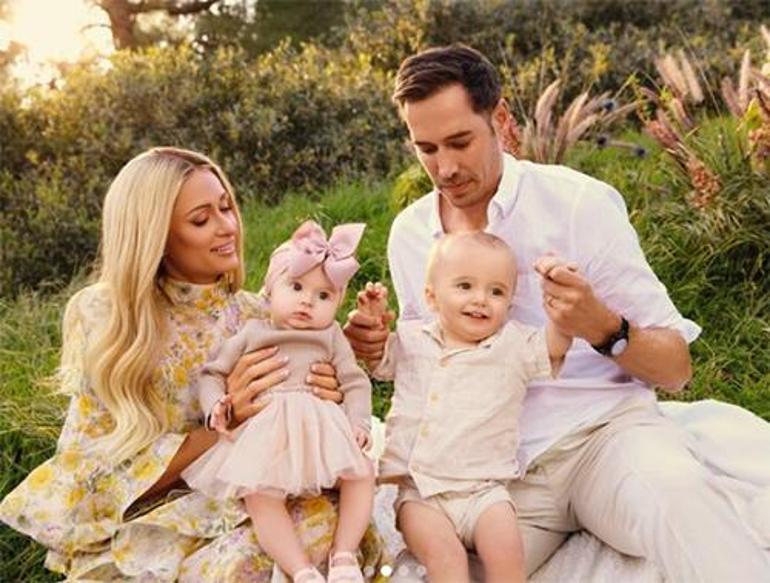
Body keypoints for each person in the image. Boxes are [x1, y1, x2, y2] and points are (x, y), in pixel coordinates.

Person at [344, 45, 770, 581]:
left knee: (681, 500)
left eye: (460, 142)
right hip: (491, 477)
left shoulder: (578, 205)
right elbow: (425, 363)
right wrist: (372, 348)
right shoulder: (411, 235)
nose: (444, 168)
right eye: (425, 149)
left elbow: (676, 368)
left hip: (604, 438)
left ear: (500, 118)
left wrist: (603, 327)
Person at [0, 147, 387, 581]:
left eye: (226, 207)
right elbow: (89, 475)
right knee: (250, 563)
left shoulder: (258, 315)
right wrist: (227, 421)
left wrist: (336, 381)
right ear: (156, 236)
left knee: (322, 529)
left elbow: (312, 410)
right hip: (150, 517)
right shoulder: (109, 319)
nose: (227, 226)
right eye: (201, 219)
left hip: (246, 499)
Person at [360, 232, 572, 583]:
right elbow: (377, 358)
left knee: (508, 553)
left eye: (496, 292)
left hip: (485, 491)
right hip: (420, 493)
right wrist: (373, 319)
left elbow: (555, 347)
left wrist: (561, 310)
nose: (481, 300)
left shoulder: (513, 344)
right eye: (464, 286)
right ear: (431, 296)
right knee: (447, 559)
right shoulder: (412, 340)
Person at [182, 219, 375, 583]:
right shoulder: (252, 332)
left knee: (363, 472)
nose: (307, 301)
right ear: (270, 290)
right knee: (259, 494)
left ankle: (344, 555)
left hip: (320, 432)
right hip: (270, 436)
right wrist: (215, 405)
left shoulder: (331, 336)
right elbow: (212, 373)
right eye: (296, 287)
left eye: (324, 296)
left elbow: (354, 382)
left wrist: (358, 422)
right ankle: (300, 569)